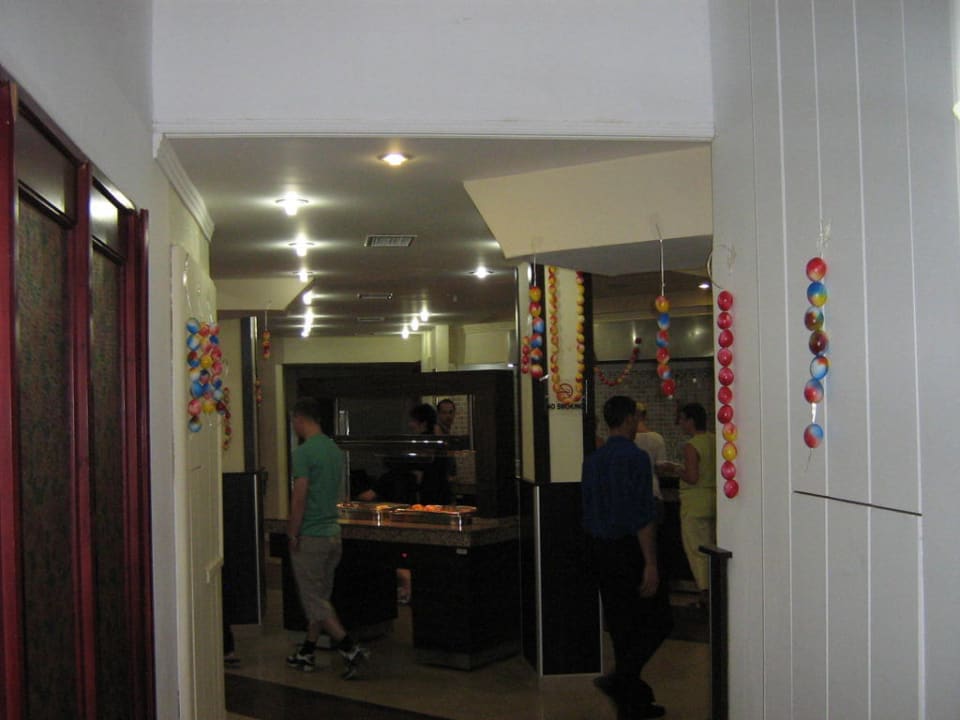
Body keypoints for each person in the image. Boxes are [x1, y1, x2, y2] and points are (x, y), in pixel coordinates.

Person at [582, 395, 670, 720]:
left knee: (621, 629)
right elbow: (642, 515)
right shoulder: (636, 457)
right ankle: (620, 680)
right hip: (628, 549)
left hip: (600, 550)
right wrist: (650, 563)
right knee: (660, 621)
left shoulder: (593, 460)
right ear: (630, 418)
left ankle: (633, 704)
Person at [285, 397, 369, 679]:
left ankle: (349, 648)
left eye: (293, 420)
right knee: (321, 599)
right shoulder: (333, 450)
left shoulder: (303, 453)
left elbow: (299, 497)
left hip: (311, 534)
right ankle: (307, 650)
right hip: (333, 534)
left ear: (299, 419)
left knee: (313, 600)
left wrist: (293, 531)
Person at [674, 402, 716, 608]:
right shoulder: (714, 440)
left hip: (694, 504)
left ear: (691, 421)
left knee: (697, 551)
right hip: (713, 500)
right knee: (711, 548)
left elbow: (692, 477)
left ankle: (705, 594)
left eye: (682, 419)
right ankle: (714, 591)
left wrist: (675, 469)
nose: (680, 424)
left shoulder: (692, 446)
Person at [632, 402, 666, 514]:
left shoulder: (627, 440)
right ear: (645, 416)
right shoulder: (657, 438)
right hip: (652, 490)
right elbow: (661, 469)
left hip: (632, 492)